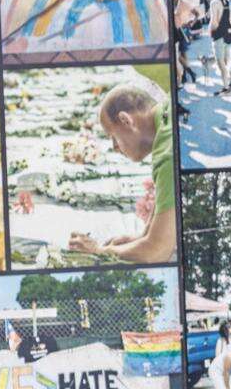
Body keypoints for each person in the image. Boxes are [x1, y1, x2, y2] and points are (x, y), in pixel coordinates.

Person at [71, 80, 176, 263]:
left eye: (113, 137)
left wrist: (99, 250)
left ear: (126, 120)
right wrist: (141, 238)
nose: (114, 147)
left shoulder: (168, 155)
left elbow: (157, 252)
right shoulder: (166, 110)